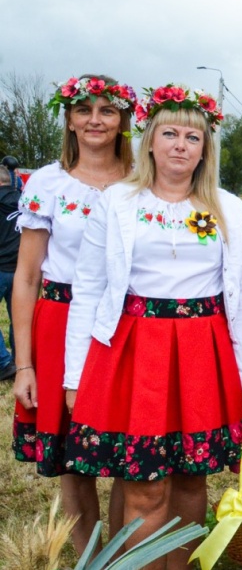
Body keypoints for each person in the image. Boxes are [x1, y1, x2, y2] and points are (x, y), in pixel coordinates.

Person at [63, 83, 242, 570]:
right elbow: (88, 288)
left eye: (192, 137)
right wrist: (74, 376)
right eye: (169, 134)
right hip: (136, 350)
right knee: (145, 485)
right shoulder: (117, 202)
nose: (180, 146)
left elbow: (241, 298)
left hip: (201, 350)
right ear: (149, 140)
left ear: (205, 149)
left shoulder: (227, 207)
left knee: (191, 479)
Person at [10, 75, 136, 551]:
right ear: (69, 120)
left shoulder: (141, 180)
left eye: (107, 110)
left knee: (128, 449)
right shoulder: (49, 183)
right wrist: (25, 364)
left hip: (125, 321)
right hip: (61, 320)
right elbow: (27, 277)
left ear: (123, 120)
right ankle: (89, 557)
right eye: (84, 110)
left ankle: (124, 554)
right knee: (72, 456)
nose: (95, 120)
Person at [0, 169, 18, 381]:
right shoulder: (25, 201)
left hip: (2, 266)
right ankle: (18, 360)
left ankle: (4, 363)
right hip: (20, 270)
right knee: (19, 318)